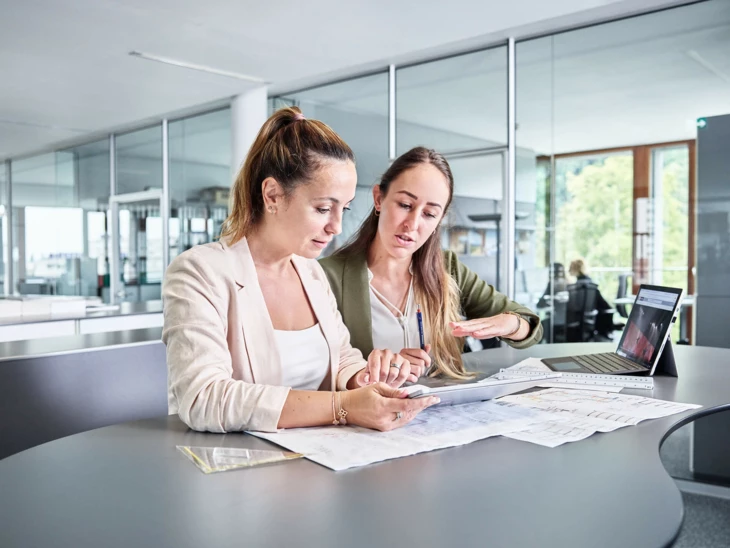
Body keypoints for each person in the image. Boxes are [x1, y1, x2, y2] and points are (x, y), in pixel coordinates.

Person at [162, 108, 439, 434]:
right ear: (273, 195)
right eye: (323, 208)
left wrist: (364, 378)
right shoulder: (199, 272)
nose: (336, 227)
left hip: (318, 462)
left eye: (344, 209)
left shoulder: (310, 272)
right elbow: (203, 398)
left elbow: (342, 355)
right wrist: (344, 407)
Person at [319, 146, 542, 381]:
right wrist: (380, 370)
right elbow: (315, 374)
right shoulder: (327, 277)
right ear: (379, 198)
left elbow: (530, 326)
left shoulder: (448, 268)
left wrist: (511, 324)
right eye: (405, 205)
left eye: (429, 214)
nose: (412, 224)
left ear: (440, 220)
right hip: (366, 414)